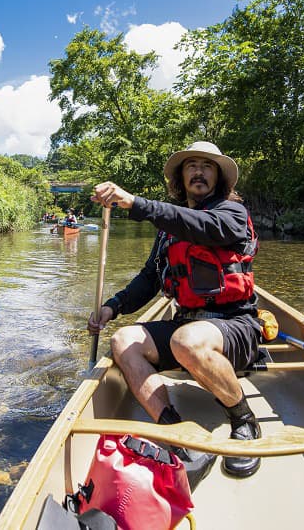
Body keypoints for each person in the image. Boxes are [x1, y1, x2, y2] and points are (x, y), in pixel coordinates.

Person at [87, 141, 262, 485]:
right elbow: (150, 278)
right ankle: (175, 431)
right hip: (189, 327)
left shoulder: (232, 213)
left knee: (187, 340)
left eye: (206, 166)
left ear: (219, 177)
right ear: (181, 178)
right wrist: (113, 306)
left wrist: (136, 203)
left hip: (235, 327)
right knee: (124, 340)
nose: (198, 171)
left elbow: (202, 226)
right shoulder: (169, 230)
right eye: (191, 166)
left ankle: (244, 420)